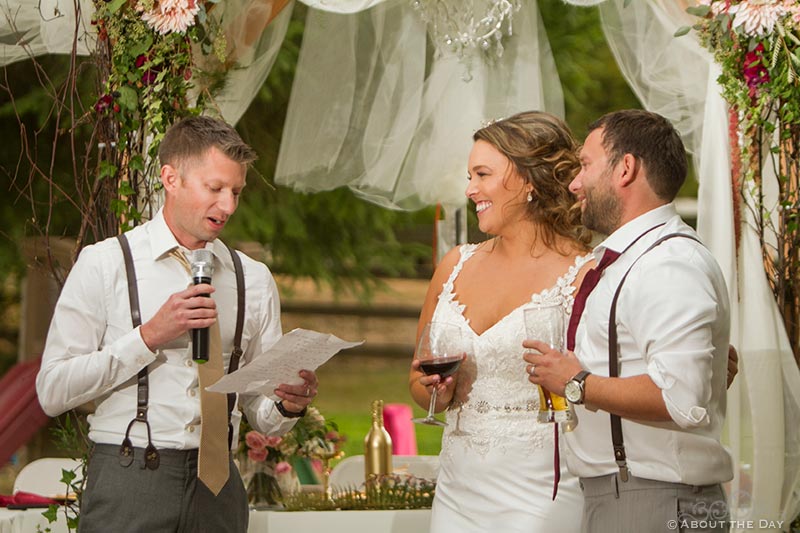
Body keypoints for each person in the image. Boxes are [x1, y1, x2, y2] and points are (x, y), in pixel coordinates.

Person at [36, 116, 319, 533]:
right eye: (215, 188)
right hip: (128, 479)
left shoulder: (253, 280)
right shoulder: (106, 264)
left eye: (236, 191)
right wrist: (148, 337)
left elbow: (260, 412)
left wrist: (287, 404)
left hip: (219, 488)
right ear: (171, 178)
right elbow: (52, 391)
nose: (228, 206)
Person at [524, 109, 733, 532]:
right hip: (627, 497)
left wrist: (576, 382)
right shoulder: (632, 261)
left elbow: (683, 400)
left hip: (656, 501)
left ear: (625, 168)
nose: (574, 183)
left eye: (584, 165)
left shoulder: (668, 264)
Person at [409, 111, 592, 532]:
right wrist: (437, 390)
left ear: (528, 180)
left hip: (542, 491)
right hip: (457, 490)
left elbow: (600, 384)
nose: (470, 189)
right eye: (469, 175)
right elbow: (417, 381)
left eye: (482, 174)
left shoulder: (583, 273)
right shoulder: (455, 264)